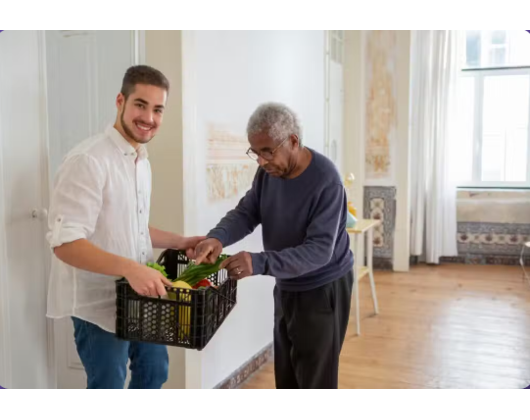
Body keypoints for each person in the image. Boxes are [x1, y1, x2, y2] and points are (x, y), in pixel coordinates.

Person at [47, 65, 204, 389]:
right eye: (140, 105)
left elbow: (131, 225)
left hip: (140, 296)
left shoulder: (140, 160)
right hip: (98, 303)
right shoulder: (88, 161)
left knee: (154, 372)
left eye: (157, 109)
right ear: (121, 101)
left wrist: (179, 240)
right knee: (108, 383)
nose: (149, 117)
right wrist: (131, 268)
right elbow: (65, 243)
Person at [193, 103, 354, 390]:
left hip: (322, 289)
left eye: (268, 151)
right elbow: (247, 212)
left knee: (316, 380)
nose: (262, 161)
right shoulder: (268, 174)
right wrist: (217, 237)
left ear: (293, 141)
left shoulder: (326, 180)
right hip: (287, 285)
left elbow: (319, 250)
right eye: (256, 152)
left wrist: (258, 262)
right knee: (288, 375)